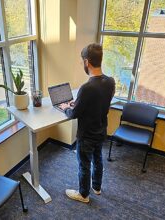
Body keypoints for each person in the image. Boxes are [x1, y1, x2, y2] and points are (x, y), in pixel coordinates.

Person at [59, 43, 115, 203]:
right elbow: (99, 102)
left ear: (86, 62)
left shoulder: (87, 88)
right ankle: (96, 187)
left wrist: (65, 108)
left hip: (87, 135)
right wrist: (77, 103)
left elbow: (74, 114)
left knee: (84, 165)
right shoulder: (110, 81)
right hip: (101, 130)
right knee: (98, 159)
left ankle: (83, 195)